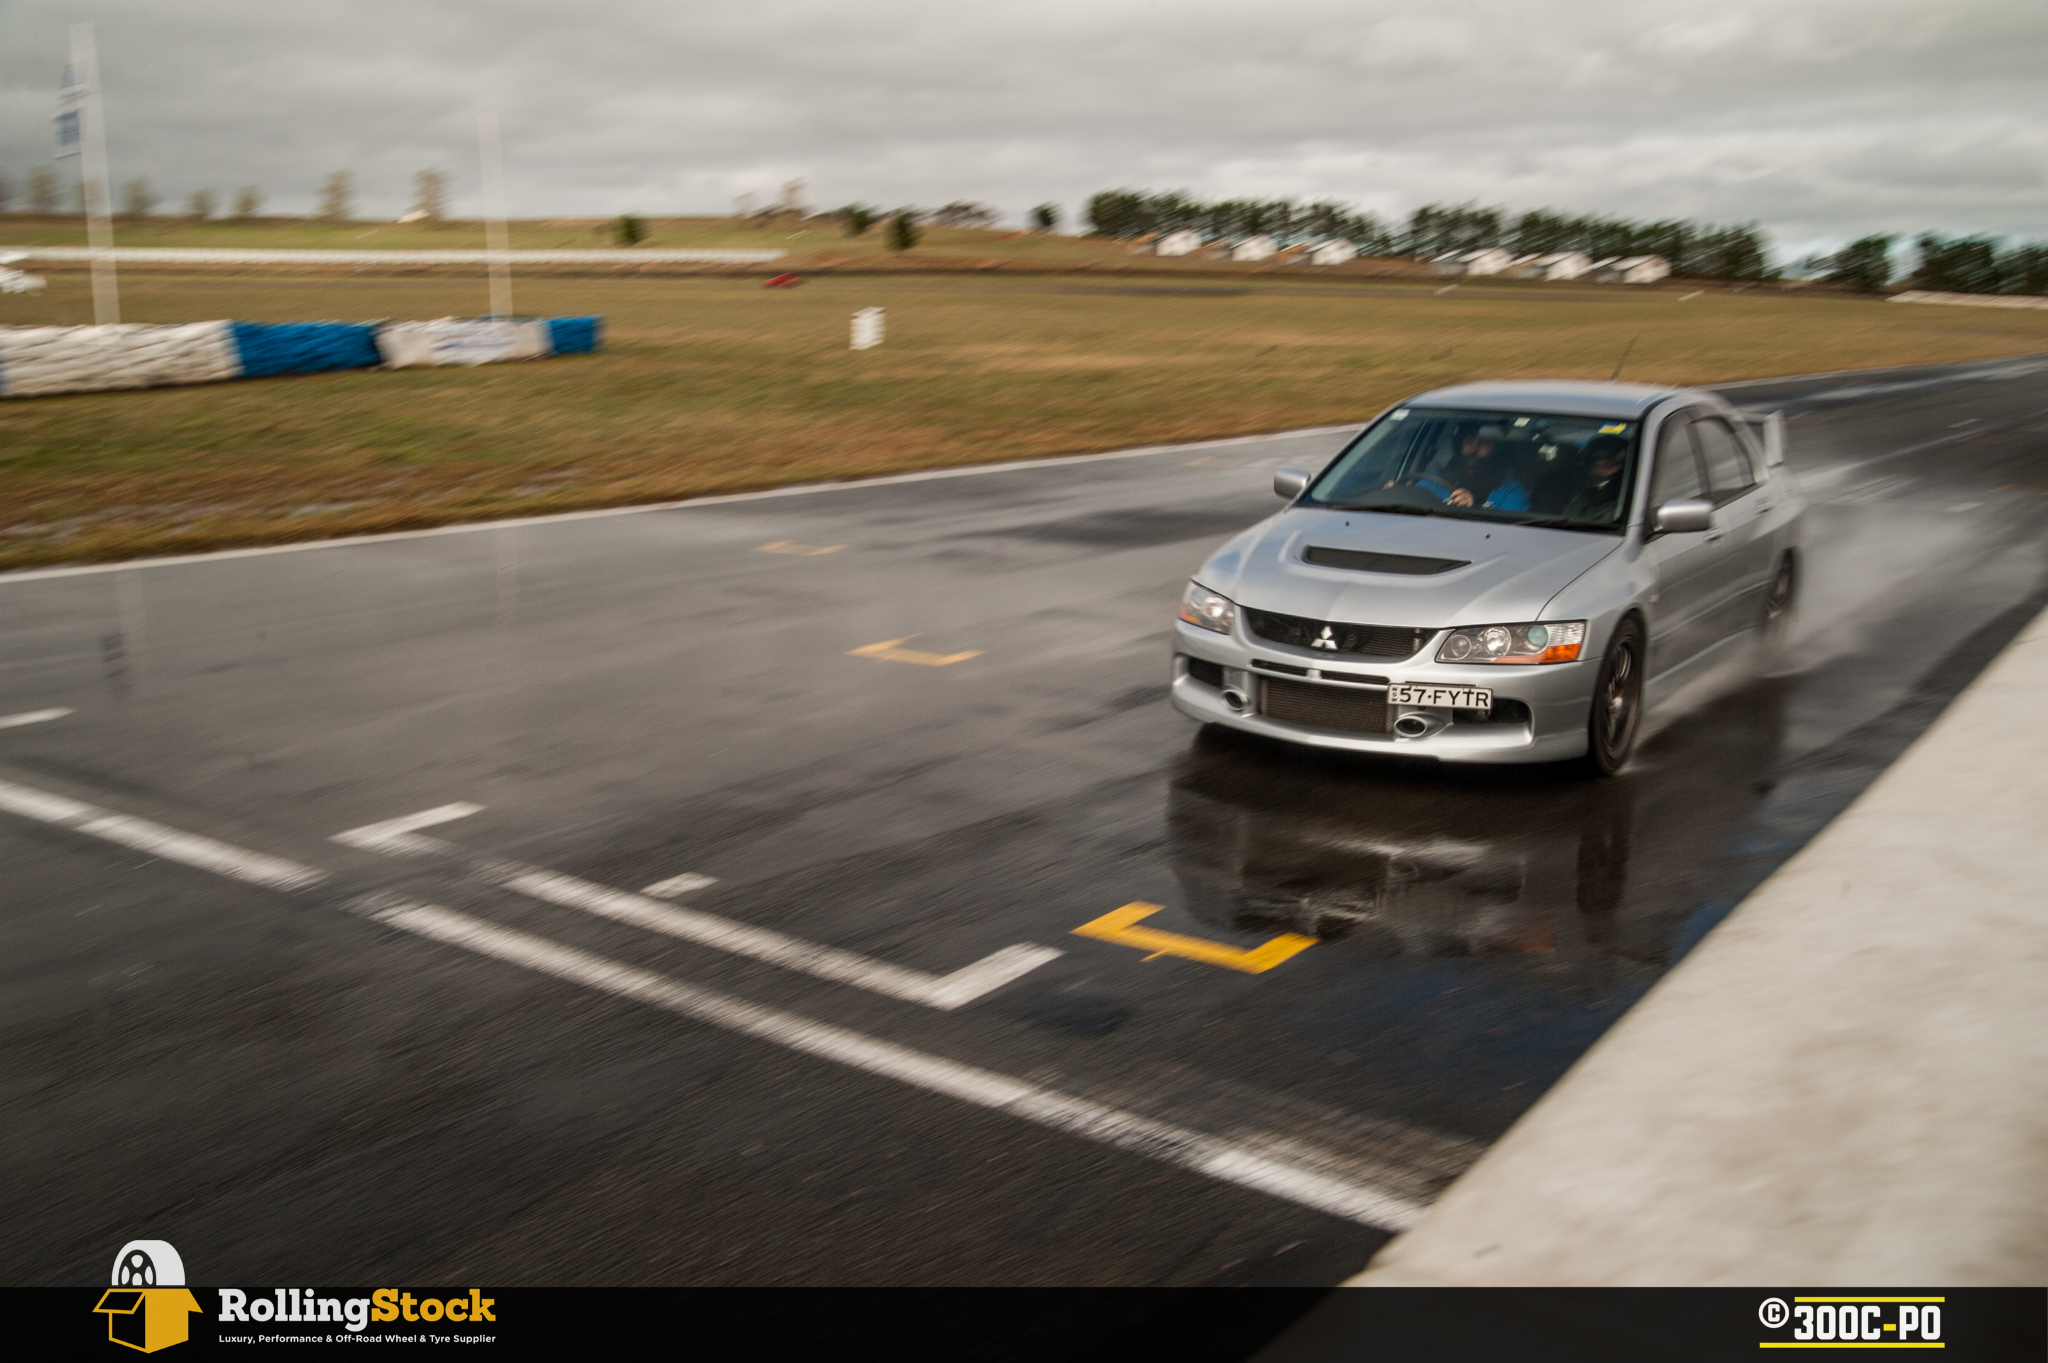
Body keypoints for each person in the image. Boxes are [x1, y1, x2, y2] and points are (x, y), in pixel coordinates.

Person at [1415, 423, 1530, 511]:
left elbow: (1505, 537)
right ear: (1459, 444)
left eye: (1483, 443)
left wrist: (1473, 510)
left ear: (1496, 449)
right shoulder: (1435, 480)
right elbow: (1413, 505)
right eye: (1469, 441)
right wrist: (1398, 492)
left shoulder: (1511, 492)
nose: (1474, 449)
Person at [1561, 435, 1630, 522]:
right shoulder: (1578, 496)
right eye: (1594, 466)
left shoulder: (1629, 503)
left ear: (1625, 467)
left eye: (1607, 466)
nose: (1598, 471)